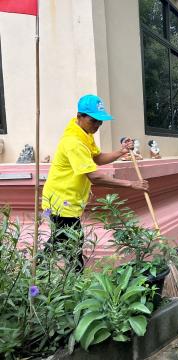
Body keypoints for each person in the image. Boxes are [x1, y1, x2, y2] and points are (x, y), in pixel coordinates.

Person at [42, 94, 149, 270]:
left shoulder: (84, 132)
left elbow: (97, 158)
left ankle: (38, 273)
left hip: (69, 200)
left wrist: (121, 151)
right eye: (94, 121)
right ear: (80, 117)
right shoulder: (73, 141)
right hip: (60, 201)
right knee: (73, 244)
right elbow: (95, 176)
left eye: (100, 121)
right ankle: (68, 281)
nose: (98, 125)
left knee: (61, 241)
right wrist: (131, 184)